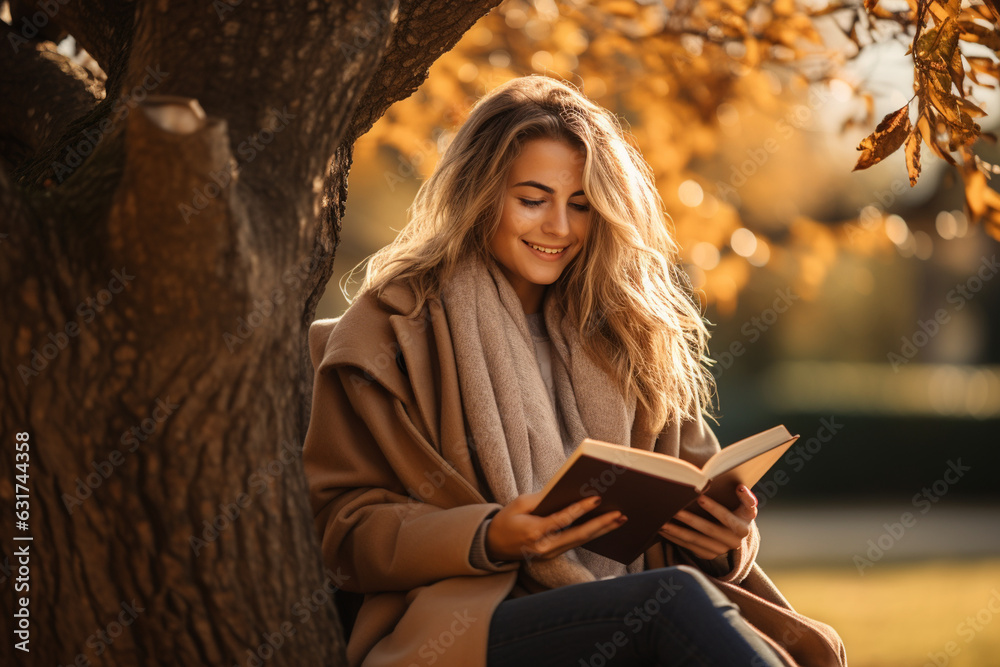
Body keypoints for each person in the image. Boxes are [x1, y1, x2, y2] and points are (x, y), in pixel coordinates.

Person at [302, 75, 847, 667]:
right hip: (472, 622)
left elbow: (690, 487)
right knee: (667, 603)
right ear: (479, 194)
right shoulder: (392, 328)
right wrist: (487, 535)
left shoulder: (628, 334)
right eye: (533, 200)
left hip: (621, 605)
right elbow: (342, 533)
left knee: (700, 611)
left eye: (581, 205)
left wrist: (728, 541)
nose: (559, 228)